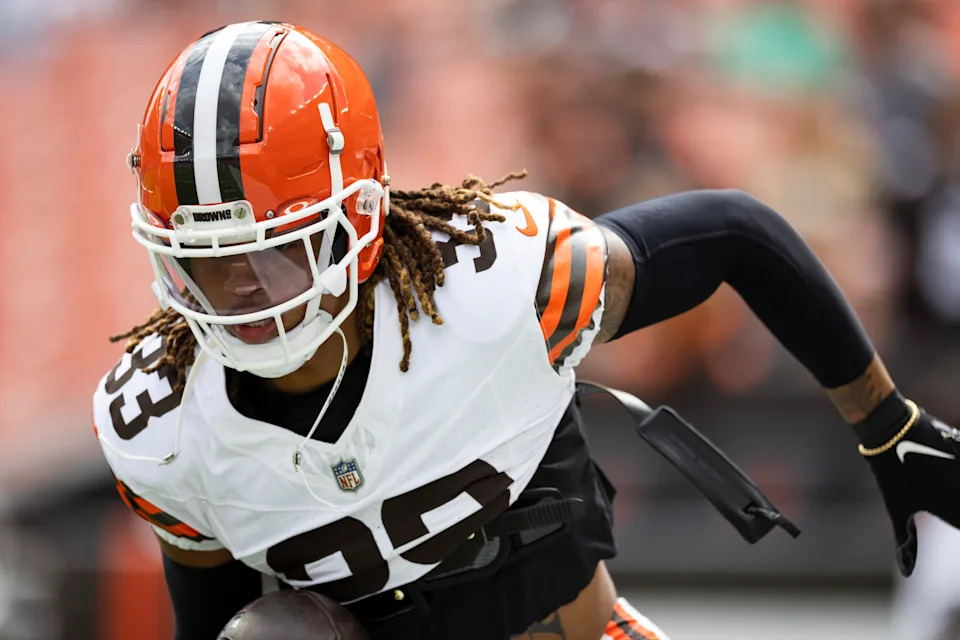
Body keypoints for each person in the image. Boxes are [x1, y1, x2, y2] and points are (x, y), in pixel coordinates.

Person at [92, 20, 960, 640]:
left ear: (357, 214)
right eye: (209, 261)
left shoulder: (497, 289)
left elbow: (734, 231)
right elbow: (205, 618)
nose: (243, 290)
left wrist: (888, 427)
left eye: (277, 251)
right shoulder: (166, 429)